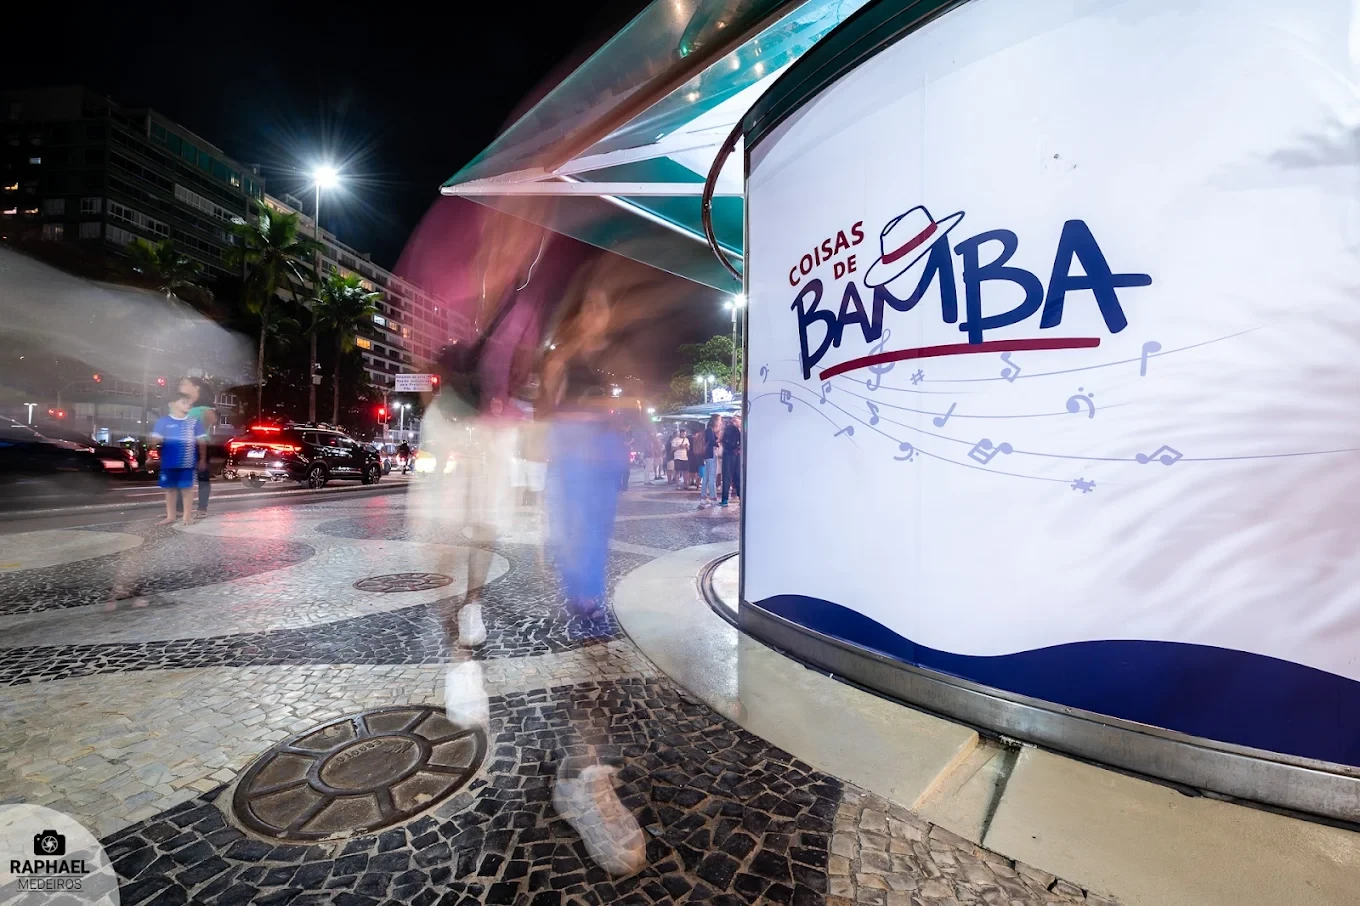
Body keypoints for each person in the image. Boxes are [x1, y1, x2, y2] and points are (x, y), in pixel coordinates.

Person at [152, 395, 206, 526]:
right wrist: (152, 451)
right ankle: (171, 516)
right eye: (184, 402)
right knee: (169, 489)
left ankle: (187, 517)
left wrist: (202, 459)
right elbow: (154, 441)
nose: (188, 405)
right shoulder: (163, 421)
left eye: (189, 403)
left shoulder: (194, 422)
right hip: (168, 462)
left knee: (187, 490)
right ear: (172, 404)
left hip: (187, 462)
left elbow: (202, 442)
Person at [180, 376, 216, 518]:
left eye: (184, 384)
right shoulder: (183, 405)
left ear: (196, 387)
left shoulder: (205, 409)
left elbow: (207, 427)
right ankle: (178, 508)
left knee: (202, 476)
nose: (181, 386)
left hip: (200, 445)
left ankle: (202, 508)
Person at [720, 414, 742, 507]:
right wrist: (738, 448)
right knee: (737, 476)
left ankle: (725, 499)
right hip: (737, 454)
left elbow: (724, 441)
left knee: (727, 476)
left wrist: (731, 448)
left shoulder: (728, 429)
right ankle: (741, 497)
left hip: (729, 454)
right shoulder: (738, 429)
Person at [698, 414, 719, 508]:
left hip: (706, 455)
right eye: (719, 420)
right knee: (712, 478)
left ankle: (703, 497)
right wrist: (717, 443)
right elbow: (712, 441)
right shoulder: (710, 430)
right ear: (715, 421)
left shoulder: (708, 430)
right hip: (710, 455)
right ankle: (713, 498)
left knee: (706, 477)